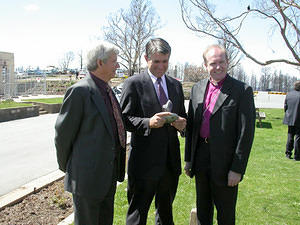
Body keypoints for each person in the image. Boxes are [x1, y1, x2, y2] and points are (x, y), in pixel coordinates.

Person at [54, 43, 126, 225]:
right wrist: (72, 168)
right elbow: (63, 136)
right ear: (100, 63)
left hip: (108, 177)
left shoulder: (108, 90)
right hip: (86, 180)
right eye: (114, 62)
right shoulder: (79, 91)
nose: (118, 66)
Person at [184, 44, 256, 225]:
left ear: (228, 62)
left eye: (221, 62)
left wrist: (237, 169)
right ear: (205, 65)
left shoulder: (242, 91)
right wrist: (189, 160)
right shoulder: (197, 88)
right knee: (203, 212)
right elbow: (192, 127)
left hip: (226, 164)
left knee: (225, 215)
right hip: (201, 159)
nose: (218, 67)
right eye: (213, 63)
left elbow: (246, 133)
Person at [120, 38, 187, 225]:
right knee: (137, 216)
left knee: (166, 216)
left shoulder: (175, 85)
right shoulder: (133, 84)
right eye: (156, 61)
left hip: (169, 163)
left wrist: (182, 125)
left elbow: (183, 116)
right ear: (146, 59)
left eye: (165, 61)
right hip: (143, 164)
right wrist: (148, 122)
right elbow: (124, 119)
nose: (161, 66)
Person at [283, 80, 300, 161]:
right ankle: (297, 156)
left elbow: (285, 106)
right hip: (298, 118)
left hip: (290, 118)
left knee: (290, 136)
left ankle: (288, 153)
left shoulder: (289, 94)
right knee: (298, 137)